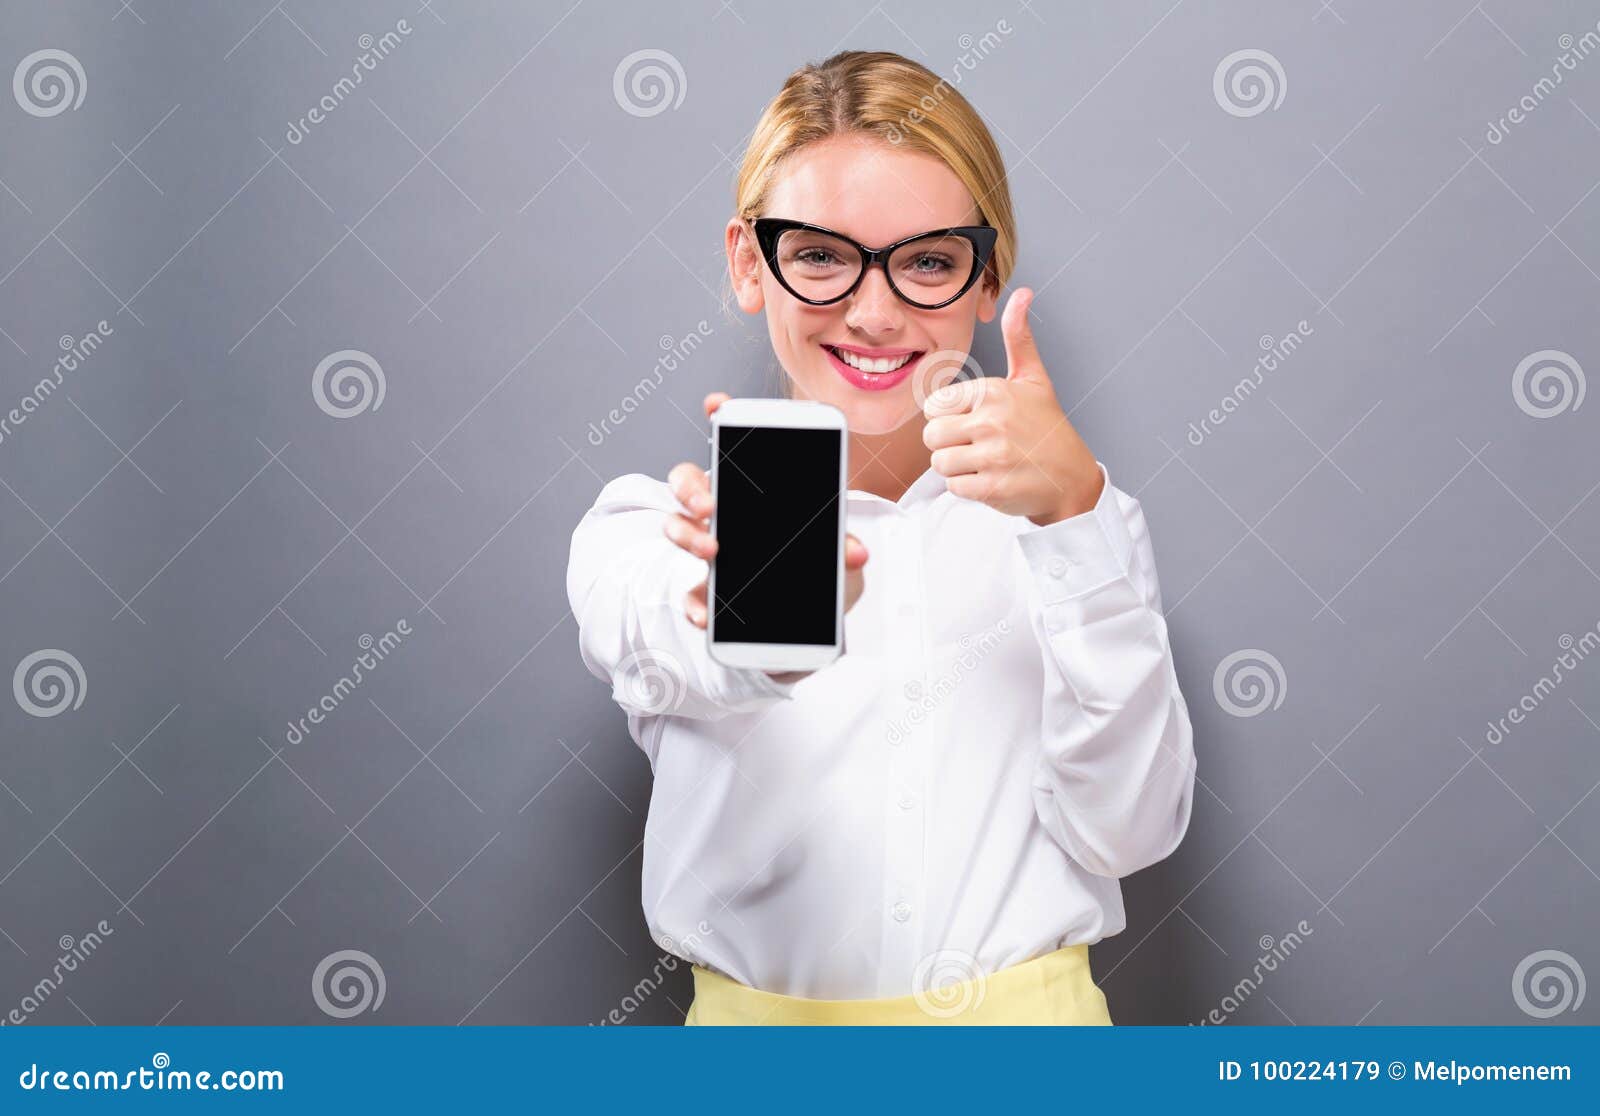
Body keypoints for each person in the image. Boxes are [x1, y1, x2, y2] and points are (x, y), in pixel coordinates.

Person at [567, 50, 1196, 1025]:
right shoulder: (651, 531)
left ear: (986, 279)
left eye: (929, 261)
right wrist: (750, 605)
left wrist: (1076, 520)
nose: (872, 311)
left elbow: (1133, 832)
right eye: (818, 254)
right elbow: (668, 645)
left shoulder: (1078, 528)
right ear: (748, 262)